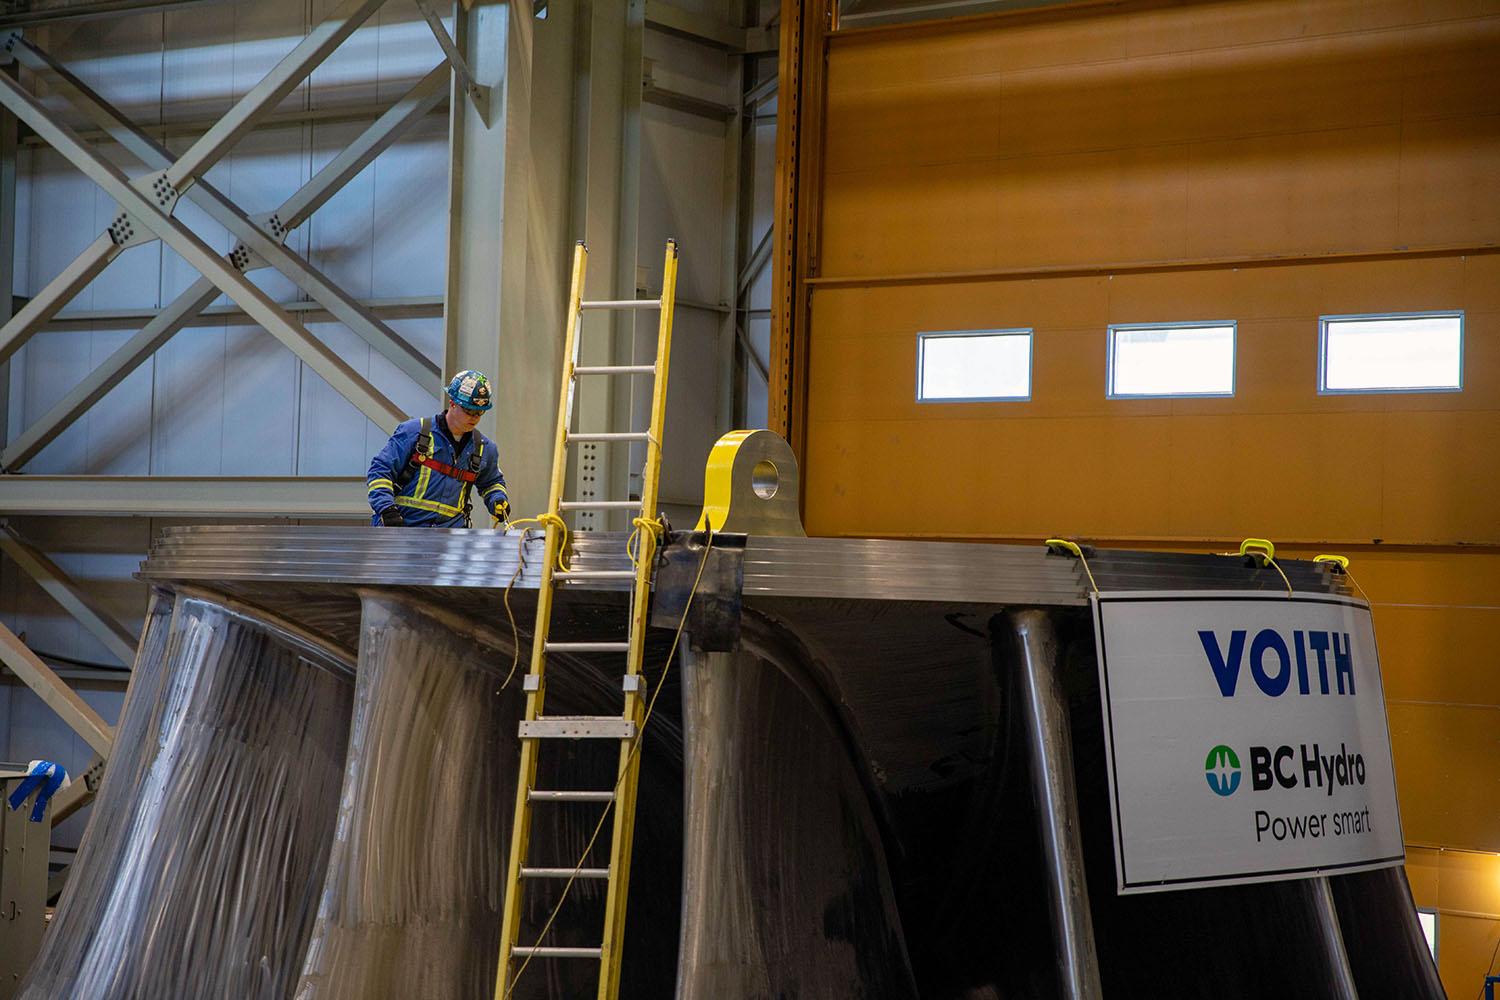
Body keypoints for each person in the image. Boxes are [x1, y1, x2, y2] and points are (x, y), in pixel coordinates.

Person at [367, 370, 510, 528]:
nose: (474, 417)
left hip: (449, 538)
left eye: (479, 412)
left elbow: (492, 482)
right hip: (403, 530)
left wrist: (497, 499)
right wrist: (386, 509)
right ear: (452, 403)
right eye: (469, 411)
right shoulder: (414, 432)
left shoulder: (484, 449)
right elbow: (380, 471)